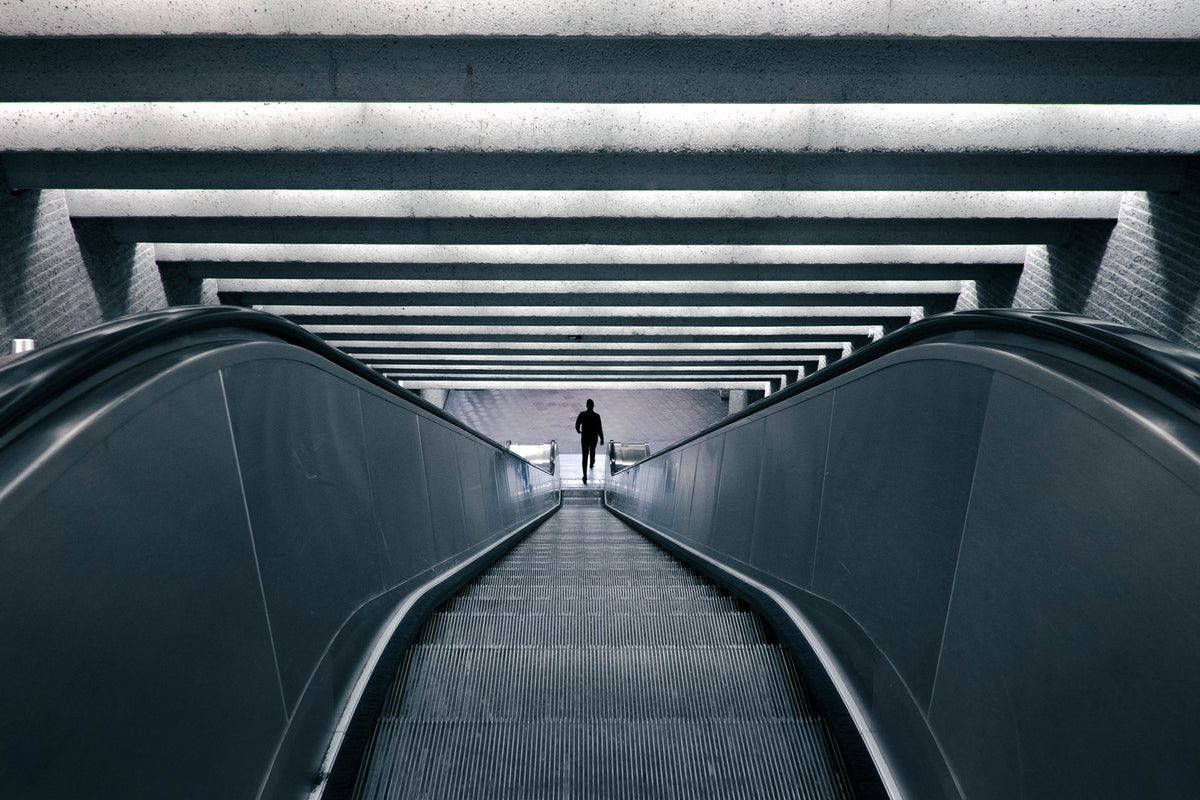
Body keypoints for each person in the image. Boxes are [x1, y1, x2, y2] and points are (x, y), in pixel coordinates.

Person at [574, 399, 604, 483]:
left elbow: (577, 425)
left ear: (586, 406)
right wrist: (602, 438)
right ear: (593, 406)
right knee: (592, 450)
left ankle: (585, 475)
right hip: (594, 437)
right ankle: (592, 462)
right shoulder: (597, 416)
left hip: (585, 438)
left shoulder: (582, 414)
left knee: (584, 456)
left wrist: (579, 431)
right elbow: (599, 428)